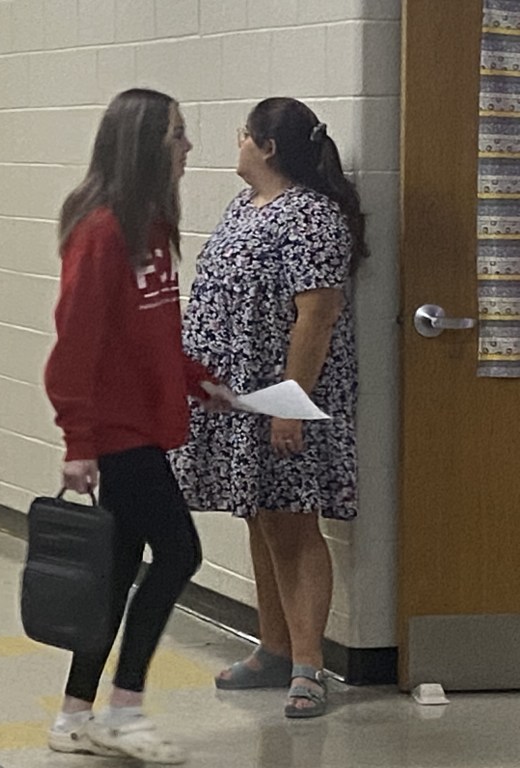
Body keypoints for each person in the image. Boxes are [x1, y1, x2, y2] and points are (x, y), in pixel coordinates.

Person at [43, 88, 227, 765]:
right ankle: (124, 710)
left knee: (119, 571)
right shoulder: (101, 233)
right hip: (118, 432)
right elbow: (74, 346)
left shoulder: (150, 229)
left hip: (143, 424)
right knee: (179, 554)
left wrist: (195, 379)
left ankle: (73, 716)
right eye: (178, 134)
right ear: (145, 144)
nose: (187, 147)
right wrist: (78, 442)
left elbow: (147, 334)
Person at [171, 97, 367, 718]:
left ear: (268, 147)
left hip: (288, 395)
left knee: (292, 521)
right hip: (243, 395)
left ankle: (309, 665)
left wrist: (291, 404)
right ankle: (275, 648)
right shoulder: (246, 205)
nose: (238, 144)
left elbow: (318, 314)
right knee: (261, 515)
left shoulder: (311, 216)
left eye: (244, 136)